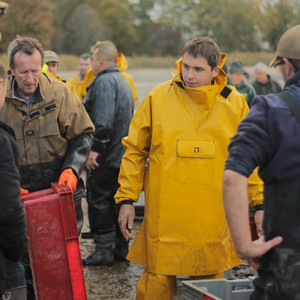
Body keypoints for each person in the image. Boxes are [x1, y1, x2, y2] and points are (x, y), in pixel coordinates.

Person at [114, 36, 263, 299]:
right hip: (165, 218)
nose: (189, 74)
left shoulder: (235, 103)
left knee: (209, 286)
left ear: (216, 71)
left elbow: (251, 159)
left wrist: (260, 204)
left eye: (198, 69)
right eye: (186, 66)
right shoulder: (158, 98)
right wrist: (127, 198)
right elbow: (135, 150)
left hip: (212, 217)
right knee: (156, 282)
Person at [0, 37, 94, 299]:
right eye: (23, 72)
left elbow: (84, 135)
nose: (30, 79)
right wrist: (6, 187)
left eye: (36, 70)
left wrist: (72, 169)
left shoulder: (61, 93)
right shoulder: (0, 98)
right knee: (22, 264)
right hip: (20, 196)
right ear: (11, 70)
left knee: (61, 263)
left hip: (60, 194)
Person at [223, 24, 300, 299]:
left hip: (288, 260)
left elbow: (233, 176)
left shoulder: (270, 109)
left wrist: (244, 245)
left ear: (286, 65)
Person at [82, 41, 134, 266]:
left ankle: (103, 251)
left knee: (100, 202)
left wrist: (95, 150)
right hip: (121, 157)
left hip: (106, 157)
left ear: (100, 61)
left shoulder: (103, 82)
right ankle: (121, 250)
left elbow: (103, 121)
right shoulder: (123, 81)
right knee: (117, 203)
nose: (91, 63)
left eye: (93, 59)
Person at [0, 61, 26, 297]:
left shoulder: (62, 93)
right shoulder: (2, 139)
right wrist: (16, 251)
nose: (29, 78)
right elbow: (8, 210)